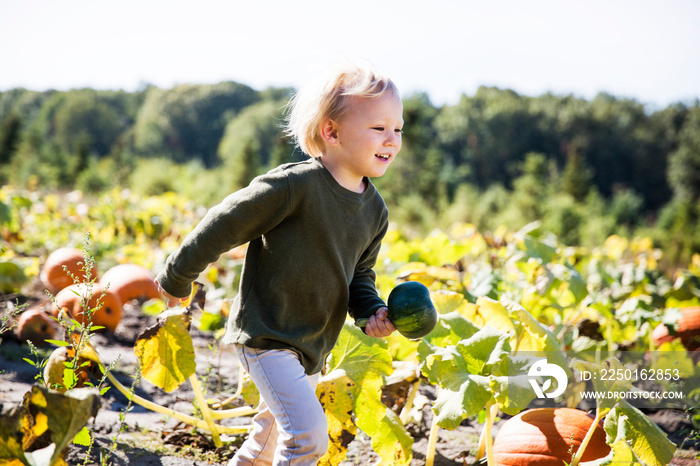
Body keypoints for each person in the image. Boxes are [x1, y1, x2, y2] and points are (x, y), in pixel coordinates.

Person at [155, 60, 403, 465]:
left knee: (265, 443)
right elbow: (225, 222)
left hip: (312, 345)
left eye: (398, 129)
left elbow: (359, 275)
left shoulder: (375, 211)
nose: (392, 139)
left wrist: (371, 310)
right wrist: (178, 274)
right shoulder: (294, 186)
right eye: (379, 128)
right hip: (268, 335)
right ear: (331, 132)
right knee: (308, 438)